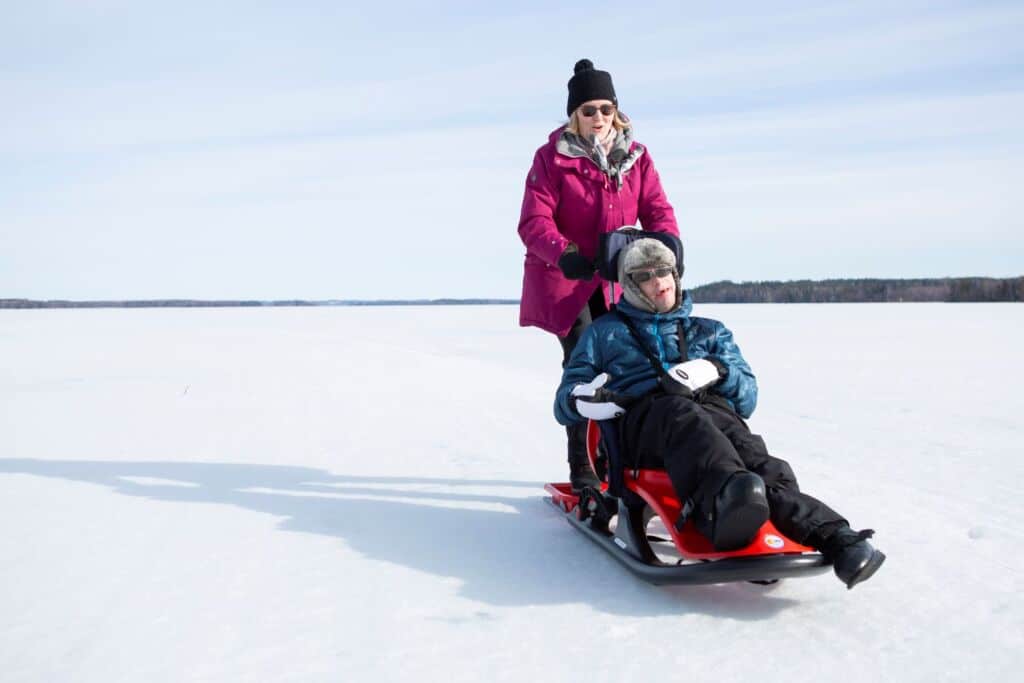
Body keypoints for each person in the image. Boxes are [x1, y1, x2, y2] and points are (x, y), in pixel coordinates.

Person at [554, 238, 886, 589]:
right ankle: (724, 507)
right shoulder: (604, 334)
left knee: (753, 455)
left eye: (664, 271)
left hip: (711, 417)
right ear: (630, 285)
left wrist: (718, 371)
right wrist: (583, 399)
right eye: (645, 276)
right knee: (681, 412)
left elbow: (748, 401)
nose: (659, 281)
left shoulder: (709, 331)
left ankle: (835, 535)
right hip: (642, 427)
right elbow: (564, 401)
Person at [517, 58, 679, 492]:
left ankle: (617, 458)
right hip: (566, 281)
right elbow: (533, 222)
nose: (598, 118)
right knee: (586, 367)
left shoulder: (636, 157)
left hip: (616, 280)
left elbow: (658, 209)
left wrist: (669, 243)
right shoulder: (551, 158)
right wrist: (563, 251)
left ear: (616, 111)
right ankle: (583, 465)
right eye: (588, 110)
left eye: (605, 109)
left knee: (625, 366)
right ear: (575, 114)